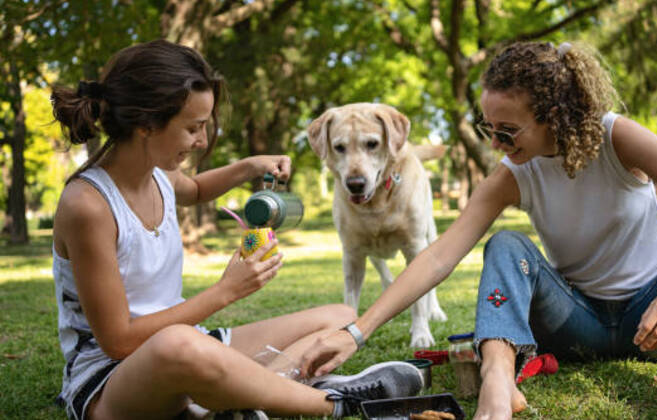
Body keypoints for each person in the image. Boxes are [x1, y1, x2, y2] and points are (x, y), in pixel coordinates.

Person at [300, 41, 657, 420]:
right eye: (489, 129)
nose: (496, 143)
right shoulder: (512, 174)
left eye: (509, 131)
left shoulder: (618, 138)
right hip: (576, 322)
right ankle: (498, 386)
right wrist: (356, 333)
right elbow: (440, 255)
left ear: (553, 117)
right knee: (505, 244)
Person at [50, 39, 422, 420]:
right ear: (146, 124)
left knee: (341, 316)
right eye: (193, 128)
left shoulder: (158, 173)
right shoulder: (89, 206)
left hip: (190, 347)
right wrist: (225, 291)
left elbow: (194, 189)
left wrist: (249, 167)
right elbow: (118, 341)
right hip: (112, 379)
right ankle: (336, 403)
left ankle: (243, 402)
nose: (202, 140)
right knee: (177, 344)